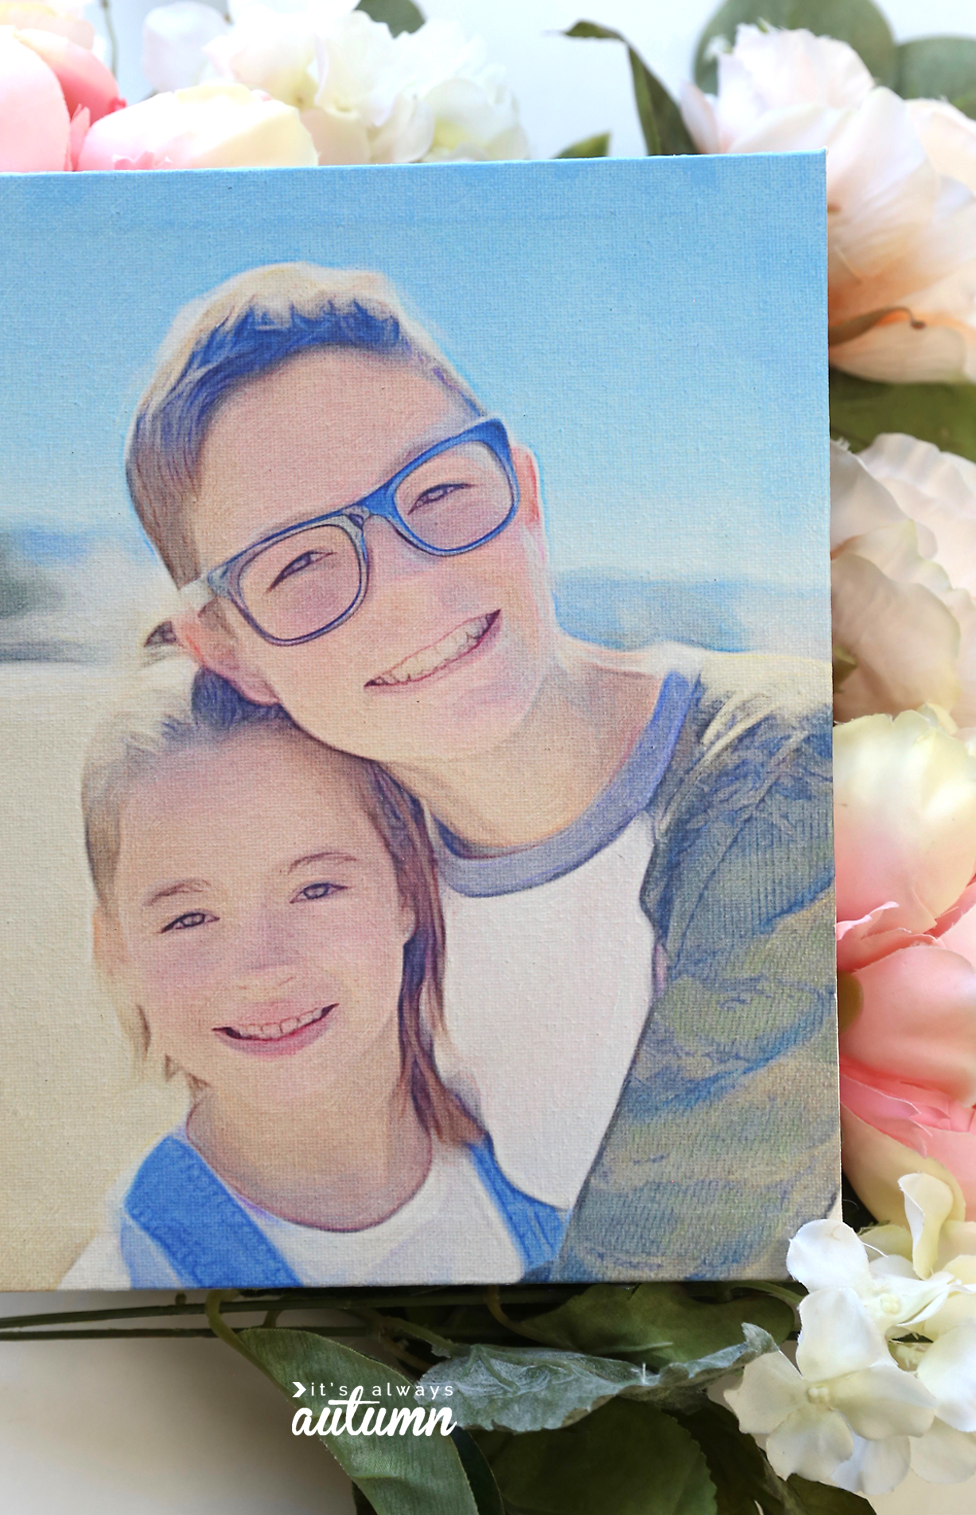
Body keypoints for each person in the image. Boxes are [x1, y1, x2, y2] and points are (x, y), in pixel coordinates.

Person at [124, 262, 837, 1280]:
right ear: (230, 650)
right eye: (302, 562)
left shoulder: (774, 773)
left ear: (527, 489)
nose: (413, 590)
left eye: (441, 491)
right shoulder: (365, 887)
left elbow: (663, 1303)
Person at [62, 668, 565, 1289]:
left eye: (315, 889)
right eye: (189, 917)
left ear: (408, 888)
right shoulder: (125, 1288)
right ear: (115, 951)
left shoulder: (553, 1156)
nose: (263, 969)